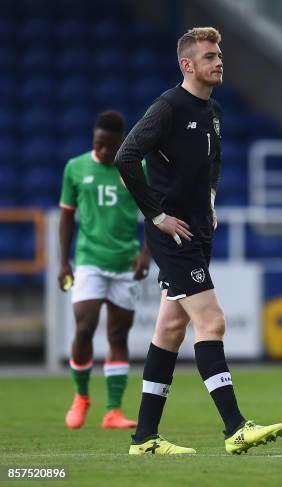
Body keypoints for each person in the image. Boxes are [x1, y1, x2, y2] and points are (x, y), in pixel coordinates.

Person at [115, 26, 282, 455]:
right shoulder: (168, 106)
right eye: (210, 56)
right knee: (212, 321)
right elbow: (126, 156)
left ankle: (144, 438)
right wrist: (156, 215)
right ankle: (235, 427)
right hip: (174, 236)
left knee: (171, 328)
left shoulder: (215, 112)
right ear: (187, 64)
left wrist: (209, 199)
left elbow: (213, 162)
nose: (218, 61)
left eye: (219, 55)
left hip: (198, 229)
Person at [58, 110, 150, 430]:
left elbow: (155, 212)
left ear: (121, 142)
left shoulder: (137, 167)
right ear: (94, 139)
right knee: (84, 327)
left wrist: (145, 254)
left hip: (125, 263)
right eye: (99, 144)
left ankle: (113, 410)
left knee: (118, 333)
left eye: (110, 146)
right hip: (89, 260)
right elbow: (67, 215)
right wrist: (62, 262)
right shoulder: (76, 167)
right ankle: (81, 396)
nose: (104, 151)